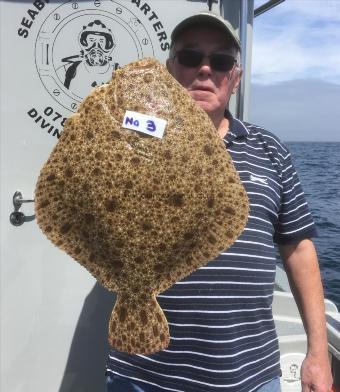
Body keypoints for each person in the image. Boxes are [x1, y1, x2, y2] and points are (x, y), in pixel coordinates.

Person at [105, 11, 333, 392]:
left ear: (236, 78)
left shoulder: (269, 148)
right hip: (144, 373)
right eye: (191, 57)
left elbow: (298, 248)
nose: (206, 69)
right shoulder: (131, 138)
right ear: (170, 69)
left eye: (222, 61)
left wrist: (318, 354)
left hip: (250, 375)